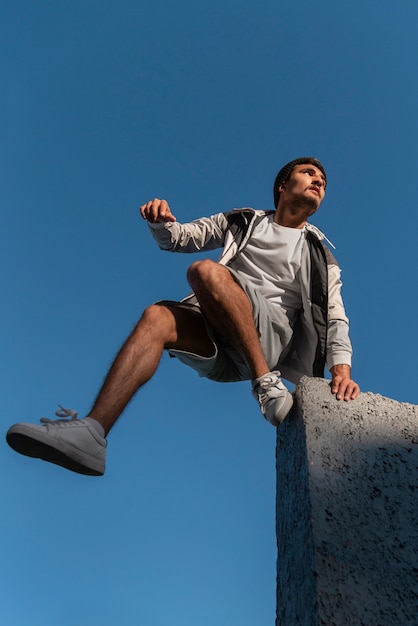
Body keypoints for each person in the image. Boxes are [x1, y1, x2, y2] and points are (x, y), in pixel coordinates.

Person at [6, 157, 360, 476]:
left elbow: (334, 315)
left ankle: (265, 382)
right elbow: (181, 238)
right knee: (157, 316)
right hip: (223, 342)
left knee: (206, 273)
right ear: (283, 187)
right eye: (308, 173)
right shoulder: (243, 220)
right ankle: (92, 434)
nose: (318, 181)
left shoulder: (318, 253)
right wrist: (161, 223)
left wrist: (340, 372)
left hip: (268, 341)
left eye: (323, 182)